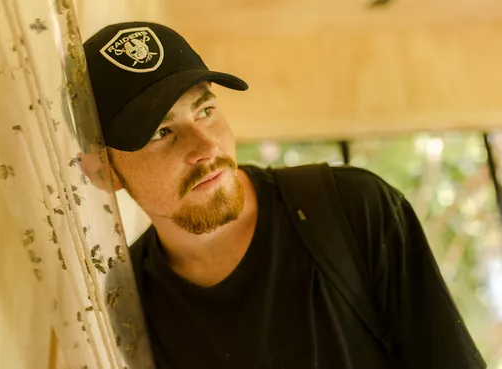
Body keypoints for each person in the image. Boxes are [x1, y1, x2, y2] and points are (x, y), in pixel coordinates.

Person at [79, 22, 487, 369]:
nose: (206, 147)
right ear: (104, 171)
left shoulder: (352, 209)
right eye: (161, 132)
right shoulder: (129, 305)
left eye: (205, 111)